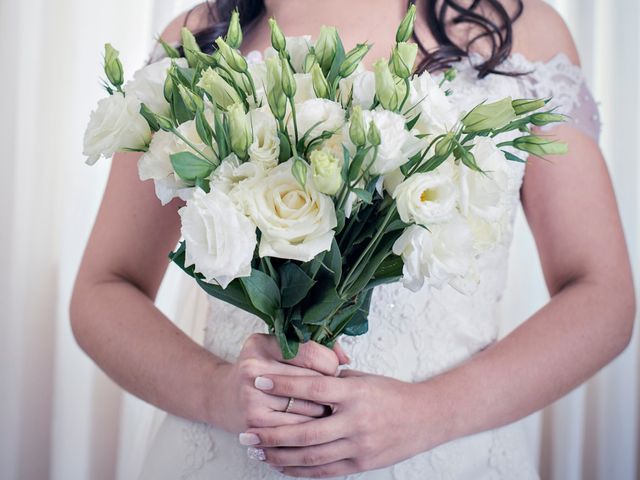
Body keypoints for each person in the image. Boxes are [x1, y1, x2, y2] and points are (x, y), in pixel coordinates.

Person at [70, 0, 636, 478]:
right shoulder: (205, 38)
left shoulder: (519, 33)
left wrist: (431, 413)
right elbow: (104, 287)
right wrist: (215, 394)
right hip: (230, 452)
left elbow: (600, 294)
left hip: (451, 453)